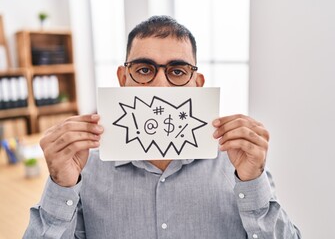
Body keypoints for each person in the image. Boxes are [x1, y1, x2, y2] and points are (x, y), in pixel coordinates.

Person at [24, 15, 301, 238]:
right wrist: (61, 185)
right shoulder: (85, 168)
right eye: (144, 70)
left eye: (177, 72)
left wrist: (253, 183)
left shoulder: (237, 163)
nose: (160, 85)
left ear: (197, 84)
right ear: (123, 79)